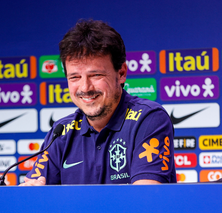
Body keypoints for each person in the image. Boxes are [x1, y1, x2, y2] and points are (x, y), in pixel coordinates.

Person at [20, 19, 176, 186]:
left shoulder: (148, 119)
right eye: (75, 77)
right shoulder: (61, 132)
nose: (85, 88)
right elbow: (34, 193)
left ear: (121, 73)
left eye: (95, 75)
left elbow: (145, 200)